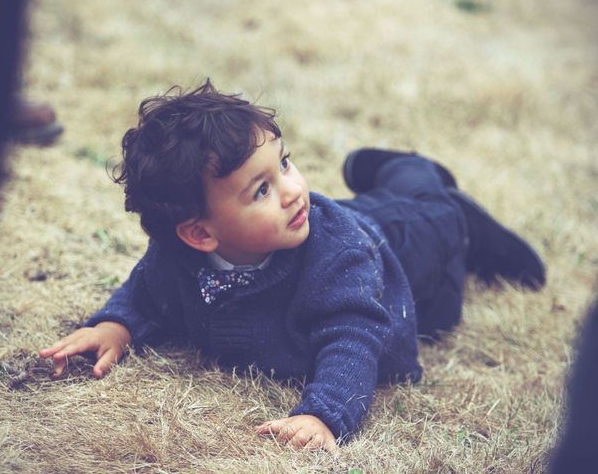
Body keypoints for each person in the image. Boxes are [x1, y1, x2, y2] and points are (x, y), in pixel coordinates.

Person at [39, 80, 546, 452]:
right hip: (355, 222)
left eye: (284, 163)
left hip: (397, 247)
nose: (291, 189)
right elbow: (150, 290)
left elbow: (352, 336)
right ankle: (402, 178)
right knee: (384, 203)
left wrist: (324, 416)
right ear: (200, 234)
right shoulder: (177, 257)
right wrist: (115, 325)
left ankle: (440, 197)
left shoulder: (340, 257)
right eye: (262, 189)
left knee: (428, 215)